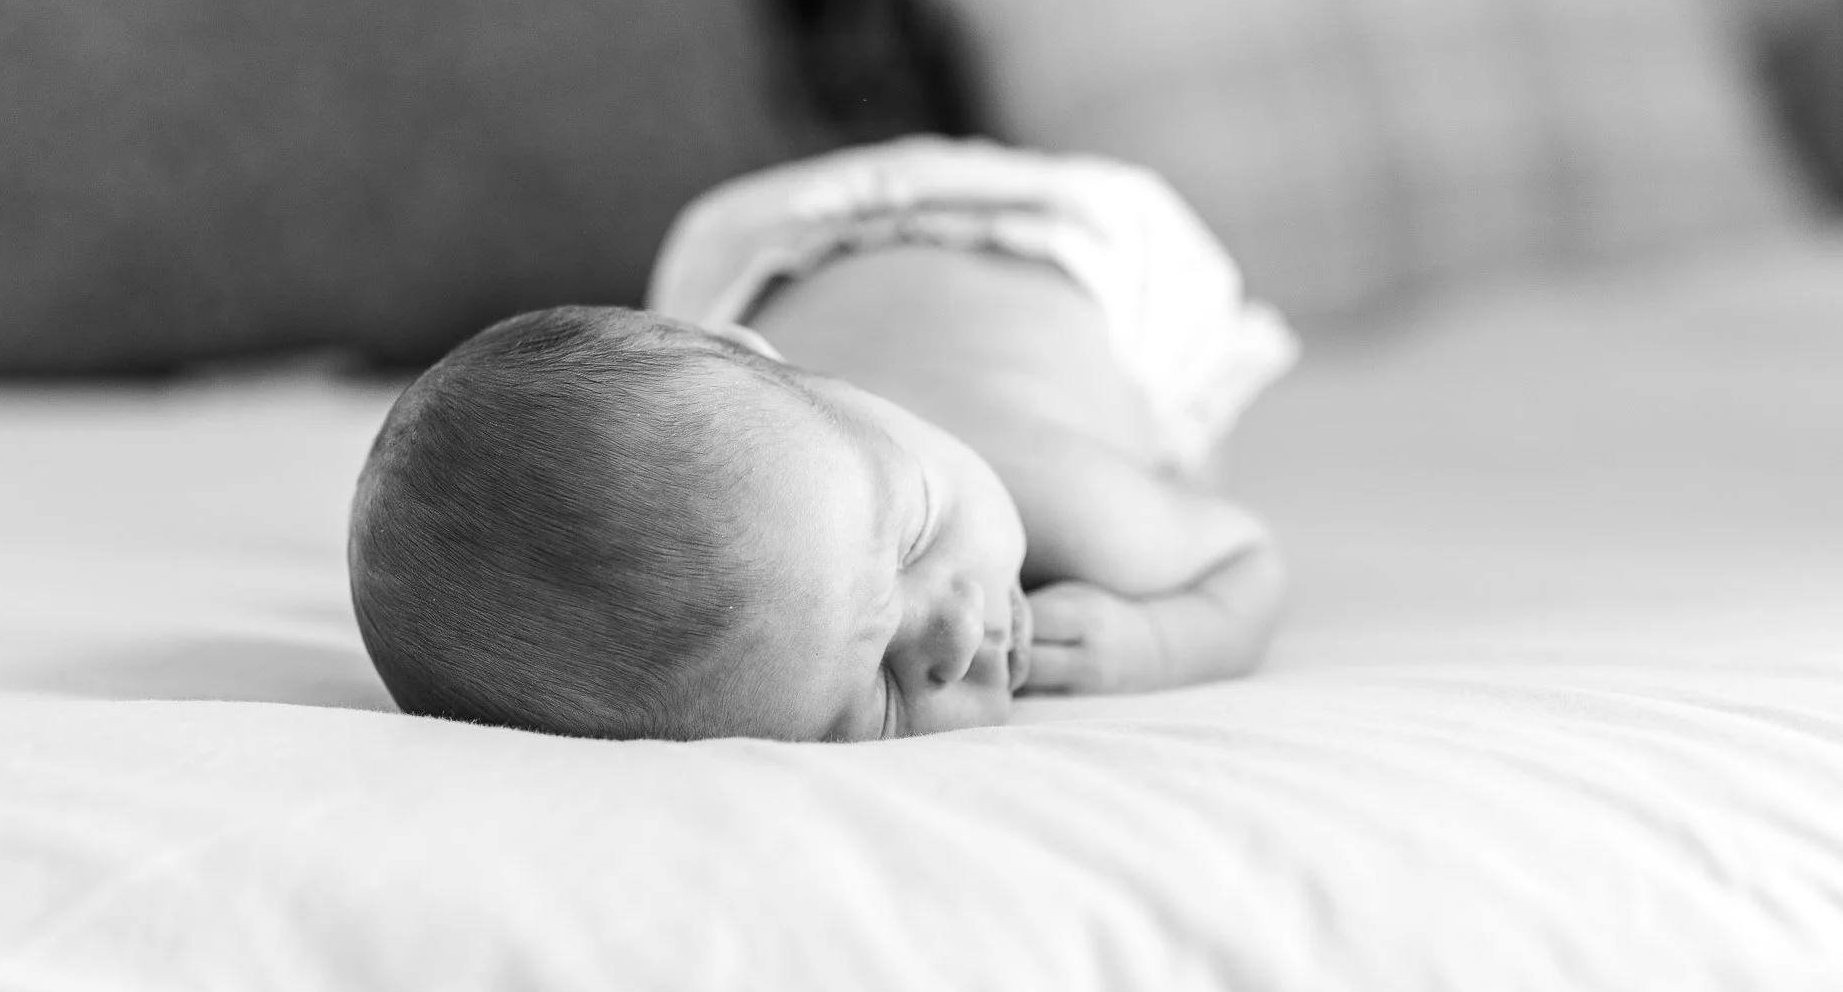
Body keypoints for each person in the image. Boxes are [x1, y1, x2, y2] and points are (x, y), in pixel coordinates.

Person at [349, 138, 1296, 740]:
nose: (959, 632)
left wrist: (1155, 641)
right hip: (806, 319)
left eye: (914, 535)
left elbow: (1249, 556)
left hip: (1038, 245)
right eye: (880, 695)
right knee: (674, 415)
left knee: (1183, 480)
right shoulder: (819, 499)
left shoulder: (1062, 490)